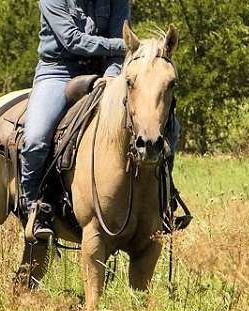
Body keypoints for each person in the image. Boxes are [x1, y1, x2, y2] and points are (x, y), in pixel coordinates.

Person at [22, 0, 181, 241]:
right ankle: (33, 207)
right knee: (36, 137)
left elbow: (121, 48)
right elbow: (72, 40)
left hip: (106, 68)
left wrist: (113, 75)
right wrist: (127, 46)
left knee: (169, 127)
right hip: (59, 71)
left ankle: (164, 201)